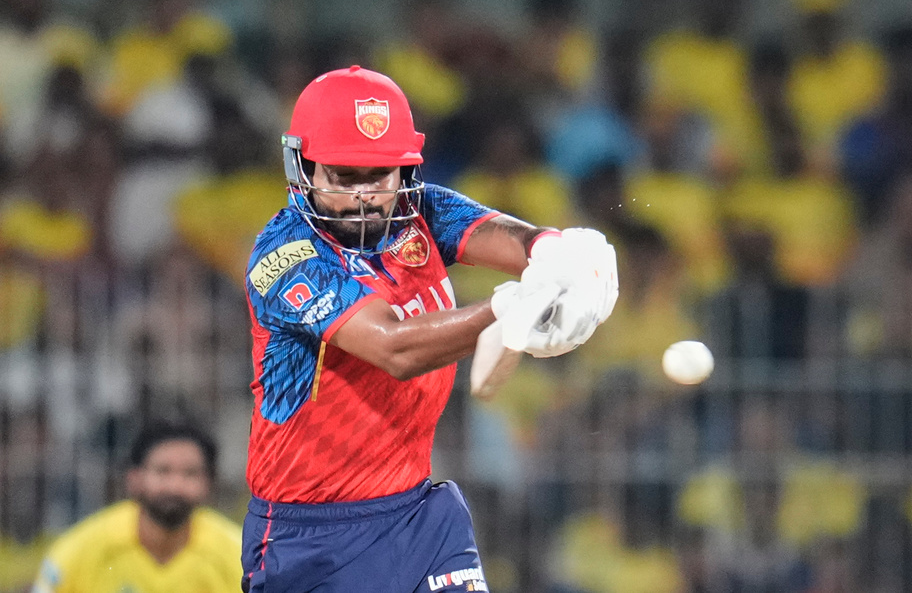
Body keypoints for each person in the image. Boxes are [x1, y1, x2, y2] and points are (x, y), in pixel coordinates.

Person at [241, 65, 617, 592]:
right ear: (303, 167)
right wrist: (511, 308)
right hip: (309, 538)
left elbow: (509, 237)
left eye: (380, 174)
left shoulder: (420, 210)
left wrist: (562, 255)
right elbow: (396, 349)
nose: (365, 196)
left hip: (420, 516)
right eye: (343, 176)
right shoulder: (285, 256)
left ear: (406, 170)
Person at [32, 420, 242, 592]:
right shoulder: (82, 549)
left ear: (208, 484)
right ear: (134, 478)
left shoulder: (238, 554)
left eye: (190, 474)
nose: (175, 485)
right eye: (162, 471)